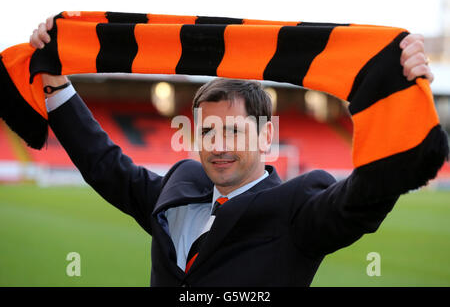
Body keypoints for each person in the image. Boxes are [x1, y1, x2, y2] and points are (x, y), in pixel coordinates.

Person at [30, 17, 434, 286]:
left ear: (265, 135)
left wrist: (393, 100)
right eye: (207, 130)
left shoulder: (297, 209)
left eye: (234, 131)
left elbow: (361, 200)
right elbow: (104, 165)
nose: (218, 145)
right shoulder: (177, 189)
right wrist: (54, 85)